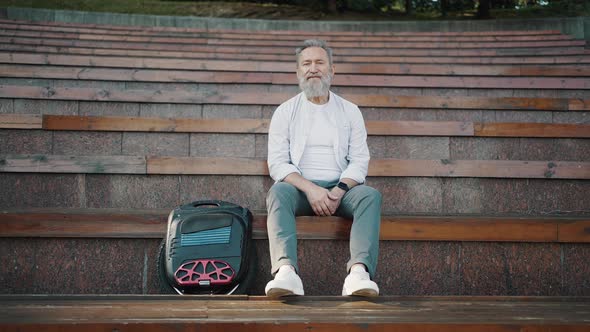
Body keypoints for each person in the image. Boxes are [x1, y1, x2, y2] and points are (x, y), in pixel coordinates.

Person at [265, 39, 382, 298]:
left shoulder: (350, 111)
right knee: (278, 193)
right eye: (306, 63)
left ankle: (359, 274)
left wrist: (339, 190)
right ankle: (286, 272)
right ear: (298, 72)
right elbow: (277, 163)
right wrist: (311, 189)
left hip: (341, 191)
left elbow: (360, 160)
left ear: (332, 70)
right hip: (300, 191)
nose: (313, 68)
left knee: (370, 196)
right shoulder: (285, 112)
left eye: (320, 62)